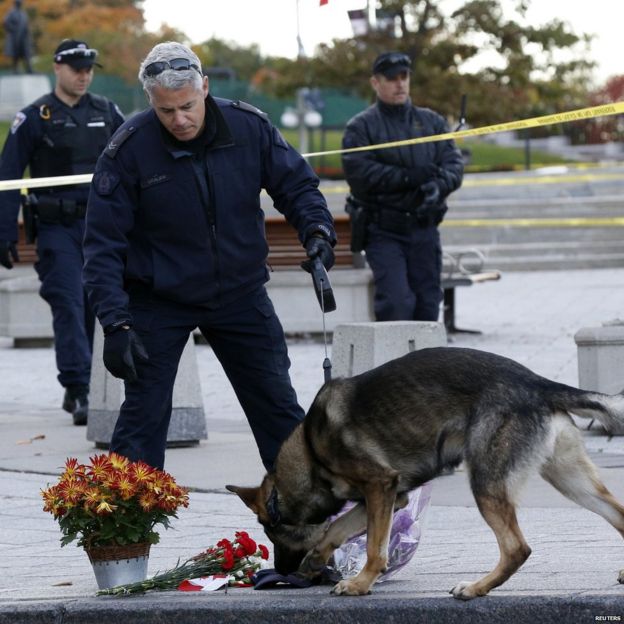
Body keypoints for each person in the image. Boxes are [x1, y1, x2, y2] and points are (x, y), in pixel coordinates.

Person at [82, 41, 336, 471]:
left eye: (187, 106)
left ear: (204, 86)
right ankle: (123, 532)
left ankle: (305, 527)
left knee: (277, 408)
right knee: (142, 420)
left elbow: (297, 186)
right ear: (150, 100)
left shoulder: (248, 126)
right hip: (158, 299)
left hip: (240, 292)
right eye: (166, 111)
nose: (179, 119)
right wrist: (115, 322)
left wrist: (317, 231)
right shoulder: (128, 149)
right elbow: (102, 244)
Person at [0, 39, 125, 425]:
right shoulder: (35, 117)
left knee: (97, 307)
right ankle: (79, 388)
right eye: (76, 68)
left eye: (89, 68)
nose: (84, 74)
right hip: (57, 229)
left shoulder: (107, 112)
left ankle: (97, 384)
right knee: (68, 304)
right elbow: (7, 176)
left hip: (101, 228)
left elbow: (137, 163)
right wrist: (4, 232)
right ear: (58, 67)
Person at [342, 52, 464, 322]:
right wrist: (409, 178)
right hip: (383, 230)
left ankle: (428, 364)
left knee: (428, 305)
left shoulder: (432, 122)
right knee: (397, 304)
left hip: (424, 228)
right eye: (392, 78)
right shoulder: (360, 127)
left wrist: (437, 186)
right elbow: (360, 174)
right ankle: (395, 364)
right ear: (375, 82)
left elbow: (454, 165)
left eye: (404, 77)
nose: (400, 84)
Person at [3, 0, 32, 74]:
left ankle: (29, 69)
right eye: (19, 3)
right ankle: (15, 69)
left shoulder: (23, 13)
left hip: (23, 37)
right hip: (15, 37)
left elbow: (26, 24)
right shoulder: (11, 13)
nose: (20, 4)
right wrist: (14, 29)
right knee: (15, 54)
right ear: (16, 4)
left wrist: (27, 33)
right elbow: (6, 23)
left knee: (26, 53)